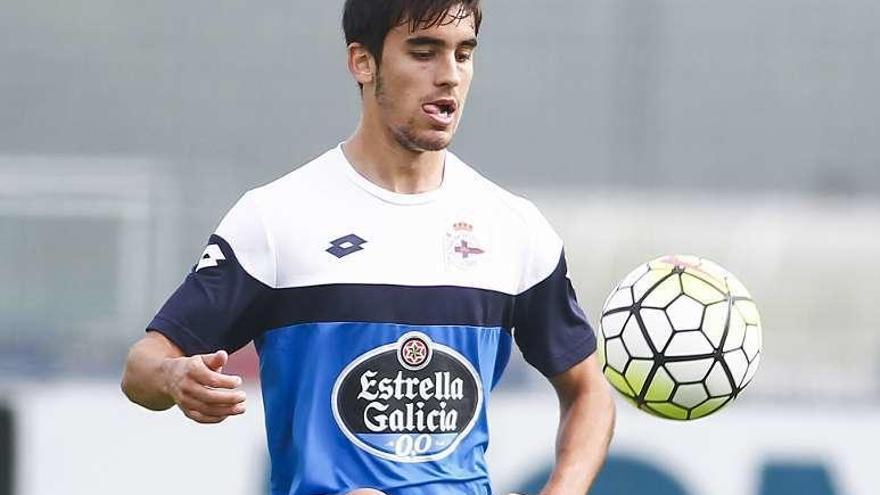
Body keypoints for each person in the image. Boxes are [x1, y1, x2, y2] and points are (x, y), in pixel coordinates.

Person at [121, 1, 615, 493]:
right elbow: (142, 365)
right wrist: (173, 377)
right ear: (363, 62)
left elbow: (588, 392)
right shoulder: (275, 219)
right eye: (423, 53)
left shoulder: (513, 227)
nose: (449, 76)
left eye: (463, 54)